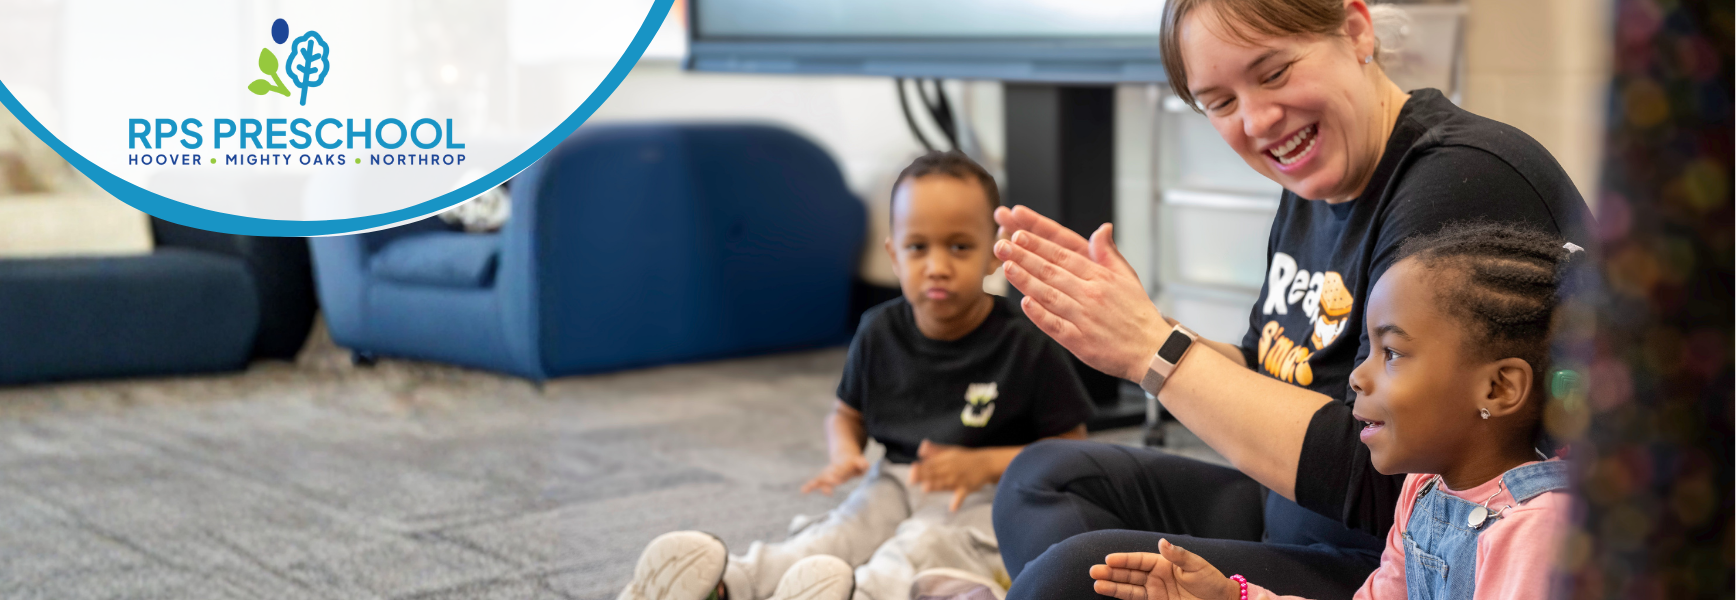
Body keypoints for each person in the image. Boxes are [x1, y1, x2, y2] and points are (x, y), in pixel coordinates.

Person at [985, 0, 1595, 598]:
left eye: (1273, 72)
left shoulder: (1459, 183)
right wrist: (1131, 329)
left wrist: (1154, 352)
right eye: (1220, 103)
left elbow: (1387, 480)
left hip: (1400, 557)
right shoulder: (1315, 179)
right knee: (1044, 482)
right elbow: (1270, 365)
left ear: (1356, 30)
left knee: (1073, 576)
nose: (1255, 121)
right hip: (1290, 510)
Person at [617, 151, 1097, 600]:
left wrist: (985, 465)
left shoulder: (1026, 342)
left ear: (993, 255)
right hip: (895, 478)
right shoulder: (878, 331)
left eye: (958, 246)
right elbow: (845, 415)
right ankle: (725, 584)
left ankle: (856, 594)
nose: (936, 267)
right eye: (917, 247)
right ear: (893, 255)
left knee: (920, 545)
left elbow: (1074, 447)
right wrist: (844, 453)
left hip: (986, 496)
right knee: (838, 532)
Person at [1090, 222, 1580, 600]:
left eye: (1392, 353)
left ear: (1498, 388)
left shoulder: (1538, 530)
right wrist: (1233, 595)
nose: (1357, 378)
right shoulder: (1423, 490)